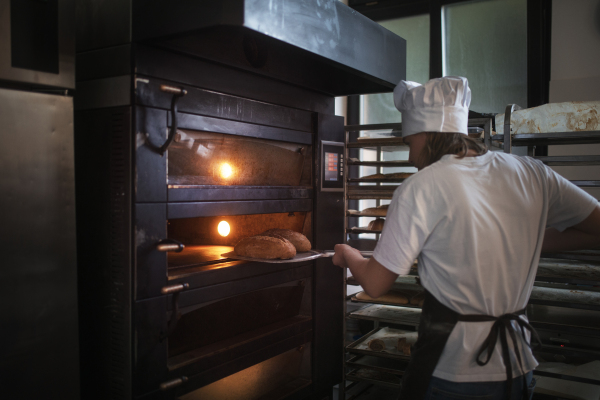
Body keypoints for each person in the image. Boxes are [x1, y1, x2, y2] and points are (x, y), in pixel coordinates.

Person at [332, 76, 600, 400]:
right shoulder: (532, 172)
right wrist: (521, 239)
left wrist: (348, 254)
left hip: (454, 372)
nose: (410, 157)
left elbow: (375, 284)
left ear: (426, 134)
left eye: (409, 144)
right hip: (518, 368)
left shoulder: (422, 186)